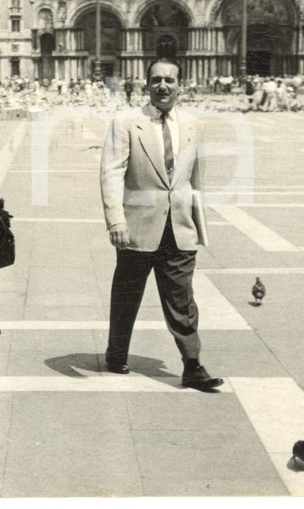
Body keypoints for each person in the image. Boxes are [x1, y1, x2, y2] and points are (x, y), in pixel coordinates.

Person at [99, 57, 222, 391]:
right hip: (137, 225)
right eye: (156, 81)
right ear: (146, 84)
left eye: (169, 80)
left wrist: (199, 224)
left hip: (179, 227)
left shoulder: (195, 125)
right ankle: (117, 352)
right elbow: (111, 173)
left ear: (180, 85)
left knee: (182, 300)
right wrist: (115, 220)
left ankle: (193, 365)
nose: (163, 86)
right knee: (127, 295)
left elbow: (198, 179)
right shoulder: (126, 122)